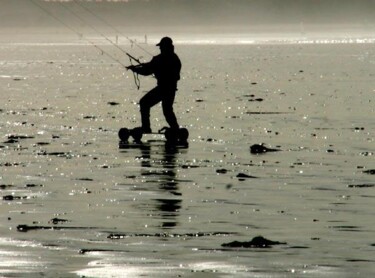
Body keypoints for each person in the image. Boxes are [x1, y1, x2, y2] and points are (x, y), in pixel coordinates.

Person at [127, 37, 181, 133]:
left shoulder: (159, 59)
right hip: (171, 89)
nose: (160, 48)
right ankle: (175, 129)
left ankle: (146, 128)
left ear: (166, 47)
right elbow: (150, 67)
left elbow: (147, 71)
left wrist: (135, 69)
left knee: (144, 103)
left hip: (163, 89)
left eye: (161, 47)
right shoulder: (175, 58)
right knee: (167, 110)